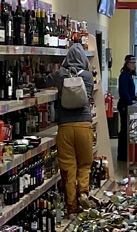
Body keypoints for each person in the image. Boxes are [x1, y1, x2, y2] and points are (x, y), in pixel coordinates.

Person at [36, 45, 94, 215]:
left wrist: (38, 76)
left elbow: (42, 83)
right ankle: (83, 193)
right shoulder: (88, 76)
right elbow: (89, 97)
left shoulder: (60, 74)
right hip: (84, 125)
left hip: (65, 127)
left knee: (68, 168)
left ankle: (71, 207)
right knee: (84, 164)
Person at [117, 55, 137, 162]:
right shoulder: (124, 76)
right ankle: (122, 155)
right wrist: (130, 104)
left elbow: (129, 92)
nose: (133, 65)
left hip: (128, 103)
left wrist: (135, 98)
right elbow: (124, 92)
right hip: (124, 105)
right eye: (131, 63)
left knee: (127, 129)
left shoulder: (129, 76)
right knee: (125, 130)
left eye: (134, 63)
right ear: (127, 63)